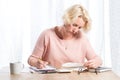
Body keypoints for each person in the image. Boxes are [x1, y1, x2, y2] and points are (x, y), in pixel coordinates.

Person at [28, 4, 102, 69]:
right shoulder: (47, 35)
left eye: (79, 27)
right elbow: (32, 59)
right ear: (67, 19)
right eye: (74, 25)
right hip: (51, 77)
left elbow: (96, 58)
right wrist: (37, 63)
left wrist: (96, 62)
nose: (76, 30)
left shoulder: (82, 38)